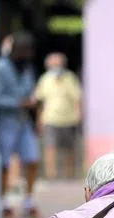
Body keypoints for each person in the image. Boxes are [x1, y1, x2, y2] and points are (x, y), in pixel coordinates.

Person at [0, 31, 41, 218]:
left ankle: (28, 201)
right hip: (5, 122)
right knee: (4, 163)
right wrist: (18, 103)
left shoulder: (27, 69)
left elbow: (29, 91)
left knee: (32, 159)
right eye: (23, 51)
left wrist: (32, 101)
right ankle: (3, 202)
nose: (26, 55)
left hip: (23, 122)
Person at [34, 52, 83, 180]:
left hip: (69, 119)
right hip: (50, 118)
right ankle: (51, 175)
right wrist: (39, 120)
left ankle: (69, 175)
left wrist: (79, 115)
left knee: (69, 149)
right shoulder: (45, 79)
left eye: (58, 63)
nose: (56, 66)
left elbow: (77, 98)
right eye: (53, 63)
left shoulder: (70, 78)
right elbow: (41, 101)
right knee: (50, 148)